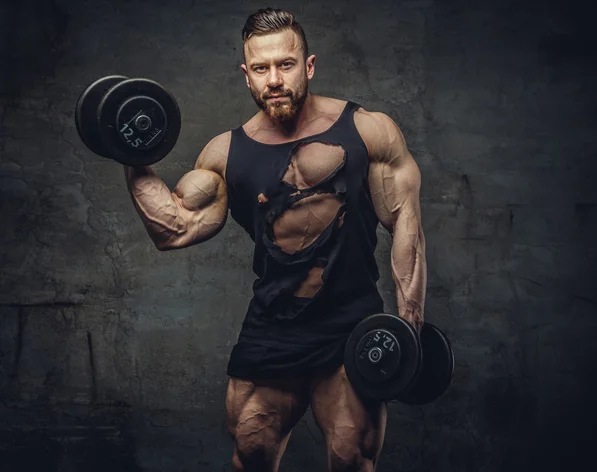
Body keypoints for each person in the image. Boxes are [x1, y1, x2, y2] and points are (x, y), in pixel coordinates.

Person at [123, 7, 426, 472]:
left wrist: (411, 326)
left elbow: (407, 224)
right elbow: (174, 229)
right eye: (261, 68)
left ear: (308, 66)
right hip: (273, 330)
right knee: (252, 456)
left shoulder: (368, 131)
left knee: (352, 460)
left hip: (350, 326)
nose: (274, 79)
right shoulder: (226, 154)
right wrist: (132, 153)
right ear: (246, 75)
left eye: (285, 65)